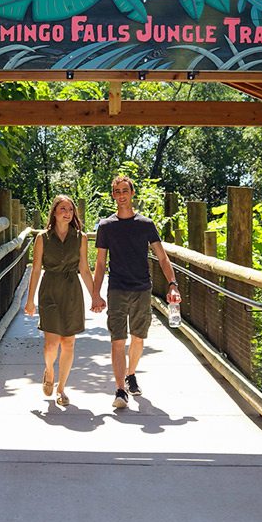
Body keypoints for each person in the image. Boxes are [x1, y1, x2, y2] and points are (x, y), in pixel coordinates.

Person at [92, 175, 181, 409]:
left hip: (142, 287)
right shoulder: (106, 226)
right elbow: (100, 264)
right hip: (117, 288)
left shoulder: (146, 224)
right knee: (117, 340)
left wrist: (172, 283)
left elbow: (162, 257)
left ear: (132, 193)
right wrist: (95, 293)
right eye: (117, 191)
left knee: (138, 338)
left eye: (125, 191)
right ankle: (120, 390)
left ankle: (131, 374)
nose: (121, 195)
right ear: (113, 195)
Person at [24, 195, 100, 406]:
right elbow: (36, 269)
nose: (67, 213)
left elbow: (84, 269)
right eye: (62, 209)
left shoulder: (81, 238)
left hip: (72, 291)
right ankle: (49, 372)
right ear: (54, 213)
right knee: (51, 345)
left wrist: (95, 296)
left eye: (70, 209)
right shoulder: (42, 238)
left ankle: (61, 388)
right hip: (49, 289)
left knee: (68, 342)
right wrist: (30, 300)